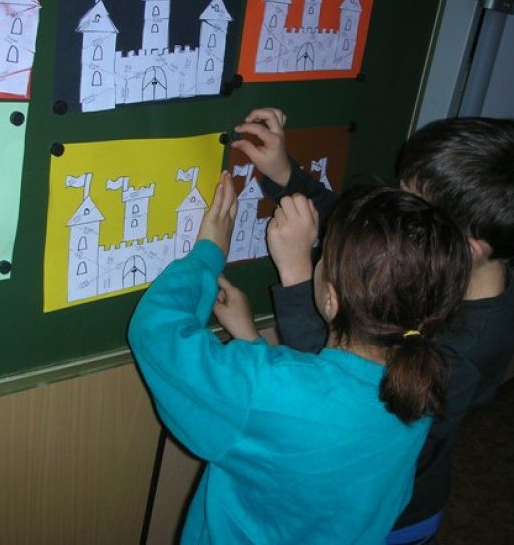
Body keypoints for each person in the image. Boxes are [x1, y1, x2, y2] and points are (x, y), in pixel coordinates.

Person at [232, 109, 514, 543]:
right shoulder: (438, 260)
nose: (387, 209)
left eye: (408, 205)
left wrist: (296, 276)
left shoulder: (464, 353)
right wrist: (286, 175)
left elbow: (343, 399)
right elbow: (363, 231)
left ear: (466, 248)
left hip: (383, 516)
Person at [128, 171, 472, 543]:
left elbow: (155, 329)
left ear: (332, 299)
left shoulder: (264, 389)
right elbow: (296, 419)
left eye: (322, 254)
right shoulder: (419, 389)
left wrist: (208, 253)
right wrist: (251, 341)